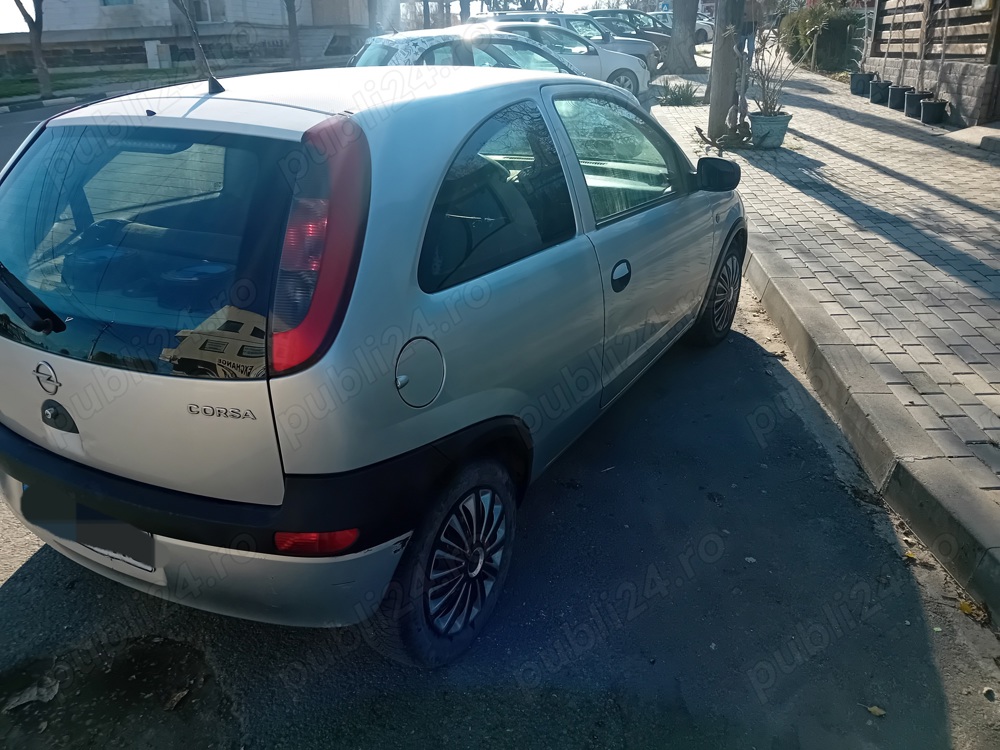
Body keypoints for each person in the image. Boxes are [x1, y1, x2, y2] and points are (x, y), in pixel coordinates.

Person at [738, 0, 762, 66]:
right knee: (740, 46)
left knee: (750, 47)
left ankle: (749, 63)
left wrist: (760, 31)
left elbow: (760, 17)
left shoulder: (757, 4)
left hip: (752, 26)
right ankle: (739, 63)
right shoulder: (741, 4)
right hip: (742, 27)